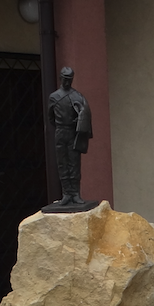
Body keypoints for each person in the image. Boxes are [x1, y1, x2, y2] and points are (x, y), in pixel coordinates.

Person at [47, 66, 92, 207]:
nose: (67, 82)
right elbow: (50, 118)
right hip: (60, 132)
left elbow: (85, 114)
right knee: (62, 163)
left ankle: (75, 194)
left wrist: (77, 122)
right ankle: (66, 194)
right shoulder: (54, 97)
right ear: (61, 79)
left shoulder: (77, 96)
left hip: (73, 133)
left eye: (69, 80)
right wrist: (62, 126)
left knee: (74, 163)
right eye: (65, 79)